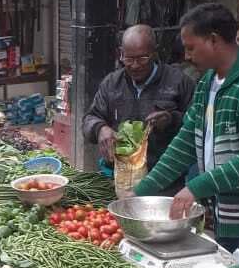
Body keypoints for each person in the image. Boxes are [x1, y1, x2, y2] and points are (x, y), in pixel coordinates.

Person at [134, 3, 239, 260]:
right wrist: (142, 191)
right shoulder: (207, 83)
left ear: (213, 40)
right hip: (225, 215)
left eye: (191, 47)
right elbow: (186, 141)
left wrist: (197, 187)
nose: (186, 56)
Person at [83, 24, 195, 170]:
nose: (135, 66)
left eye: (142, 58)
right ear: (121, 54)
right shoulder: (112, 83)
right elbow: (89, 119)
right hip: (121, 174)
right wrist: (100, 128)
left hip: (164, 175)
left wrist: (171, 120)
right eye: (128, 59)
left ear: (154, 53)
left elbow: (196, 126)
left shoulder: (179, 82)